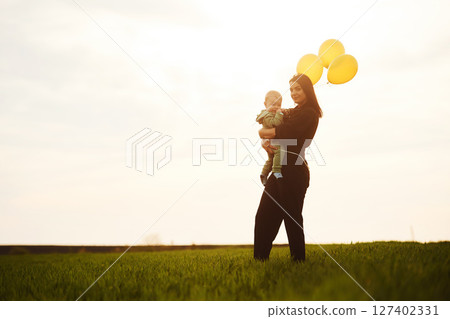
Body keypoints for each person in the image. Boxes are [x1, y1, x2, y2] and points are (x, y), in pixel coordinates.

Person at [254, 73, 323, 262]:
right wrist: (265, 141)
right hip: (279, 168)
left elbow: (284, 131)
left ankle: (298, 261)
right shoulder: (294, 111)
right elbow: (276, 119)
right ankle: (259, 260)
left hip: (294, 169)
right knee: (264, 216)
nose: (293, 93)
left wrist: (262, 133)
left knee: (292, 218)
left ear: (307, 89)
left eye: (298, 89)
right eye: (291, 89)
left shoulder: (309, 113)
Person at [256, 90, 285, 186]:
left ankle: (264, 173)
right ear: (265, 104)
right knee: (279, 151)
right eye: (273, 104)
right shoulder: (267, 116)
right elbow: (275, 123)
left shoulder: (270, 113)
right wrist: (280, 114)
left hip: (271, 140)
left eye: (279, 105)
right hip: (272, 141)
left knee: (271, 159)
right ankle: (276, 170)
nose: (276, 107)